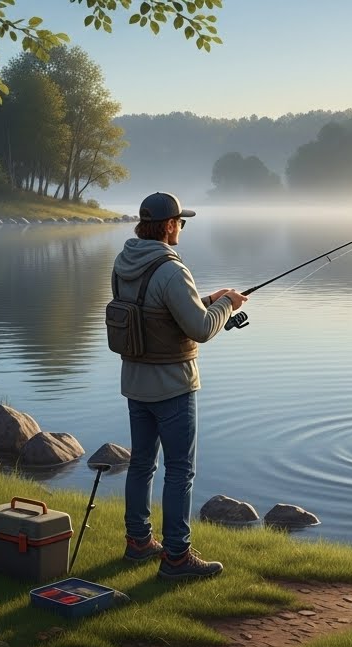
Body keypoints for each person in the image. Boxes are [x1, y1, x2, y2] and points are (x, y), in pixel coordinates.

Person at [111, 191, 248, 579]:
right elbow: (201, 329)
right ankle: (176, 557)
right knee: (179, 470)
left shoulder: (123, 263)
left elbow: (153, 310)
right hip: (172, 385)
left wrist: (209, 297)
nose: (181, 229)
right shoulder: (171, 269)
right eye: (180, 223)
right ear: (169, 225)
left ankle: (138, 542)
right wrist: (227, 306)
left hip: (135, 382)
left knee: (140, 464)